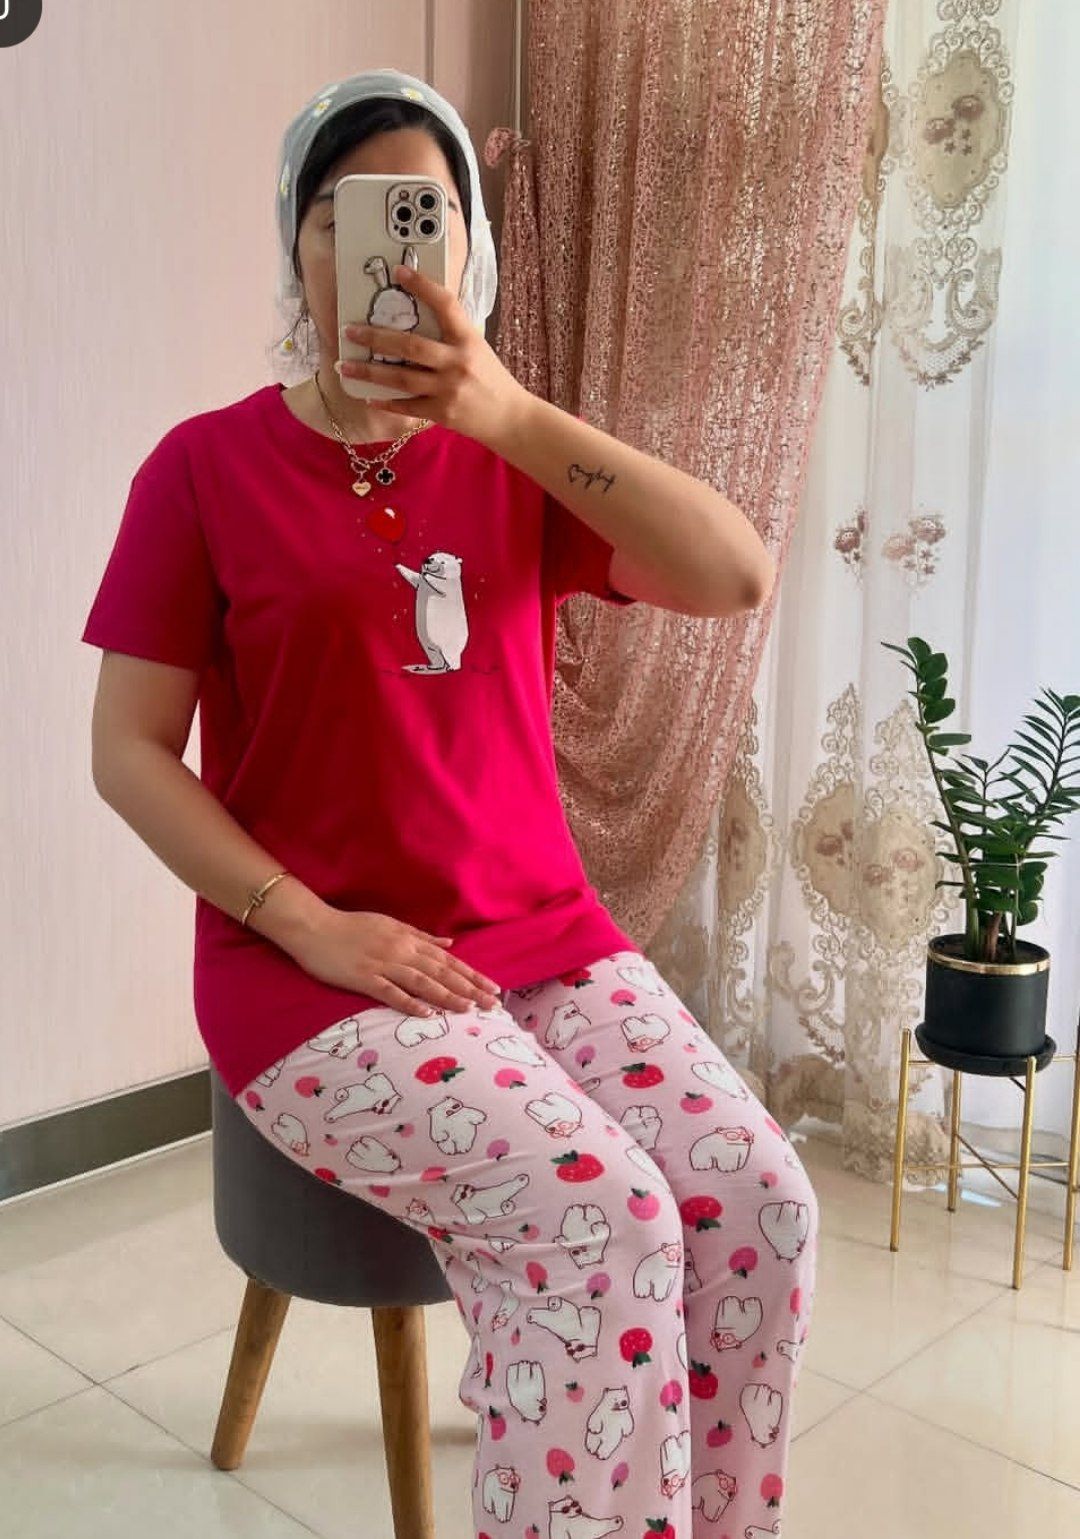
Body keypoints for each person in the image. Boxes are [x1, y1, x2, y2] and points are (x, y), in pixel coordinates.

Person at [81, 67, 817, 1539]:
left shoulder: (516, 459)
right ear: (297, 247)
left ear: (468, 247)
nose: (385, 254)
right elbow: (130, 752)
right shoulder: (203, 470)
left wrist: (507, 410)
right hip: (309, 971)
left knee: (761, 1207)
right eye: (344, 221)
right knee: (602, 1219)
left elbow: (735, 573)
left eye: (424, 217)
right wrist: (309, 924)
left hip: (544, 937)